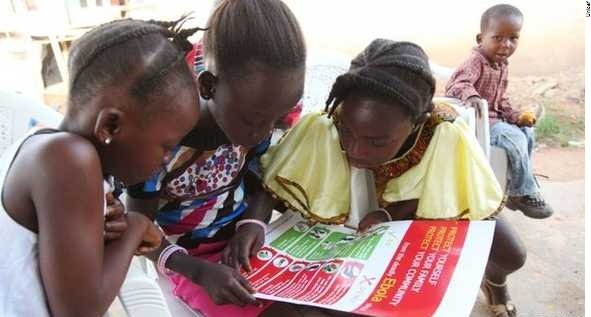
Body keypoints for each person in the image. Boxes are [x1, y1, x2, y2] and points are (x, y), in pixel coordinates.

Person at [261, 39, 526, 317]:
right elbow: (273, 184)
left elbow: (440, 197)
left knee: (512, 254)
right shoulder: (325, 124)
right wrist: (255, 222)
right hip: (346, 226)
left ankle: (495, 282)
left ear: (418, 122)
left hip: (420, 214)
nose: (355, 151)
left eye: (376, 142)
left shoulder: (444, 133)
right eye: (348, 133)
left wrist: (388, 217)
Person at [0, 18, 201, 317]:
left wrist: (100, 229)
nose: (166, 159)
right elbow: (79, 312)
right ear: (110, 125)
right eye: (166, 146)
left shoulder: (52, 146)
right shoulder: (70, 160)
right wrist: (136, 226)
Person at [124, 0, 306, 316]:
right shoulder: (160, 142)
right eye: (254, 120)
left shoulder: (254, 118)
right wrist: (196, 270)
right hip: (189, 261)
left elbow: (262, 179)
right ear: (209, 86)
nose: (264, 131)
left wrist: (253, 223)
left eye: (278, 118)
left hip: (245, 246)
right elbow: (139, 227)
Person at [445, 4, 553, 219]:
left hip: (495, 120)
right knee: (515, 138)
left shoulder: (502, 64)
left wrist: (515, 117)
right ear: (480, 38)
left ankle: (516, 185)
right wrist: (472, 96)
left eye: (513, 38)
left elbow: (501, 100)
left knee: (526, 133)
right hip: (477, 122)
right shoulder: (476, 61)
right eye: (498, 38)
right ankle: (523, 193)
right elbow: (457, 85)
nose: (506, 45)